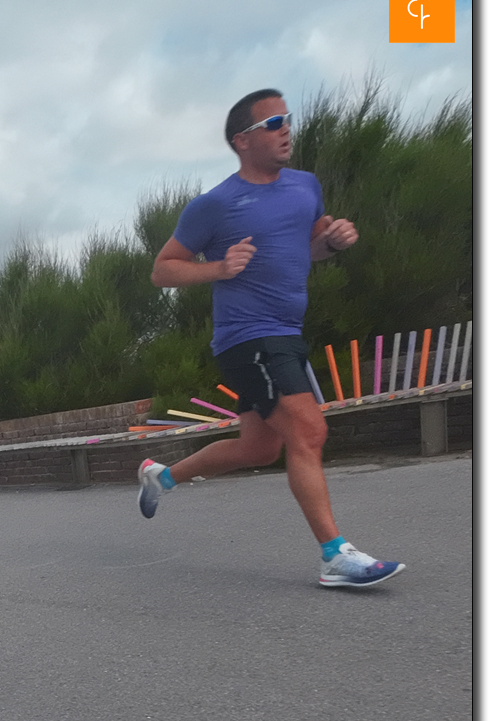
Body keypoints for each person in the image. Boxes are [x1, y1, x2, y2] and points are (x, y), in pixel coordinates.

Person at [138, 88, 404, 589]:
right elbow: (162, 270)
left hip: (286, 334)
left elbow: (309, 249)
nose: (286, 130)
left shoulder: (305, 187)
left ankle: (162, 476)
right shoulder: (214, 205)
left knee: (259, 449)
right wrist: (218, 267)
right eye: (274, 122)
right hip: (247, 338)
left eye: (287, 120)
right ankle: (335, 556)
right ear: (243, 140)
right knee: (308, 432)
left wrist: (332, 240)